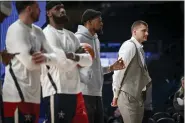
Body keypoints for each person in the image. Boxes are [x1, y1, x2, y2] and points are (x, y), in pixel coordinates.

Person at [3, 1, 68, 123]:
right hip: (16, 95)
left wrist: (44, 57)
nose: (40, 10)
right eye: (37, 7)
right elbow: (30, 64)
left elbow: (59, 58)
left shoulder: (38, 31)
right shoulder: (15, 30)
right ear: (29, 9)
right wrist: (48, 58)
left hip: (34, 94)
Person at [41, 1, 92, 123]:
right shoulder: (47, 34)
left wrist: (72, 56)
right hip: (56, 91)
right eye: (57, 8)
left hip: (74, 92)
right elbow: (62, 63)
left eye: (63, 8)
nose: (62, 10)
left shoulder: (71, 36)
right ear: (49, 13)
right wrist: (78, 58)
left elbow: (89, 60)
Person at [75, 9, 125, 123]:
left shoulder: (96, 40)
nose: (102, 23)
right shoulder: (78, 39)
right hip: (84, 94)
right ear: (89, 22)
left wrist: (111, 68)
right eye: (99, 21)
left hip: (97, 93)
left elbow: (95, 69)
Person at [111, 20, 152, 123]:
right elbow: (118, 71)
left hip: (137, 97)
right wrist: (115, 95)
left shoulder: (140, 50)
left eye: (147, 31)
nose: (147, 33)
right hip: (128, 96)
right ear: (134, 32)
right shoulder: (129, 46)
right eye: (144, 31)